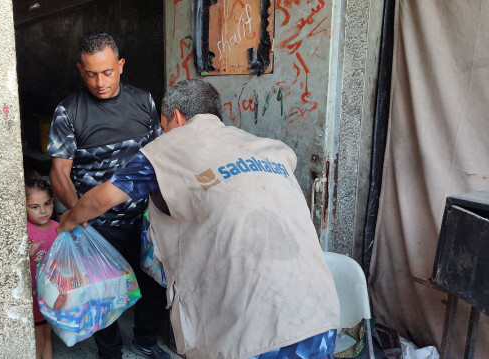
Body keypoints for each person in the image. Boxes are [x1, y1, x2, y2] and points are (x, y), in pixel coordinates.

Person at [56, 79, 341, 359]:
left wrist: (68, 218)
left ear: (176, 119)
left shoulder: (167, 150)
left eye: (163, 126)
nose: (163, 133)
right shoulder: (267, 147)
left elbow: (99, 199)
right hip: (320, 314)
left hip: (257, 333)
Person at [47, 33, 169, 359]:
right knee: (101, 294)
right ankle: (110, 352)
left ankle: (145, 341)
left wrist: (163, 210)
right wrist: (77, 213)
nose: (99, 82)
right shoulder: (68, 112)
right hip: (98, 223)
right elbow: (59, 173)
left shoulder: (143, 101)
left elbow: (158, 155)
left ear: (121, 66)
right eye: (90, 74)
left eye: (107, 72)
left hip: (144, 216)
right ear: (80, 70)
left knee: (155, 283)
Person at [25, 175, 58, 359]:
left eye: (47, 204)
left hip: (52, 294)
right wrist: (27, 254)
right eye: (35, 207)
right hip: (35, 296)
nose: (43, 211)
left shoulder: (57, 227)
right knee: (38, 339)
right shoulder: (26, 232)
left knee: (47, 335)